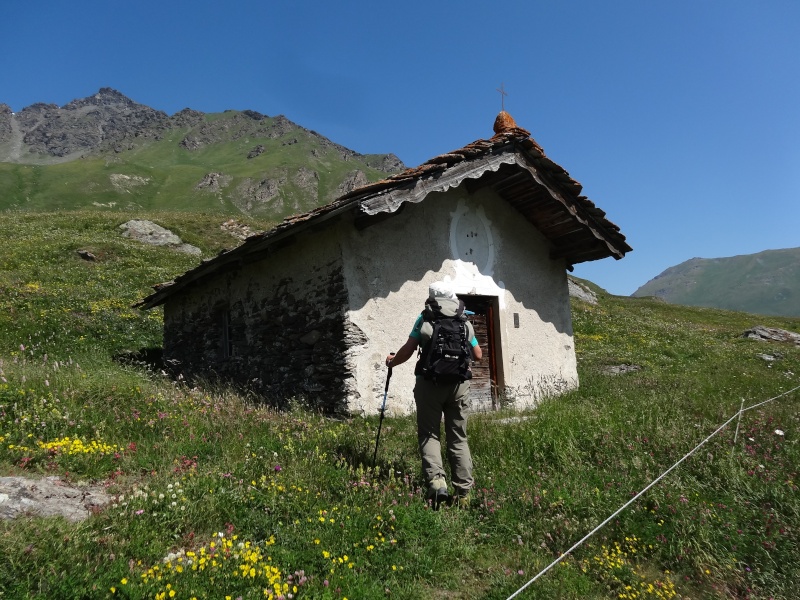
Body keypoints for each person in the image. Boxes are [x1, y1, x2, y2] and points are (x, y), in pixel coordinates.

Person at [385, 281, 483, 508]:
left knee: (429, 434)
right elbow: (477, 355)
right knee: (458, 437)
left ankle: (437, 484)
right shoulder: (463, 320)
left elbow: (408, 351)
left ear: (432, 298)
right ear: (451, 296)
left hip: (429, 384)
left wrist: (392, 362)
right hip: (459, 386)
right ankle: (464, 492)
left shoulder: (425, 318)